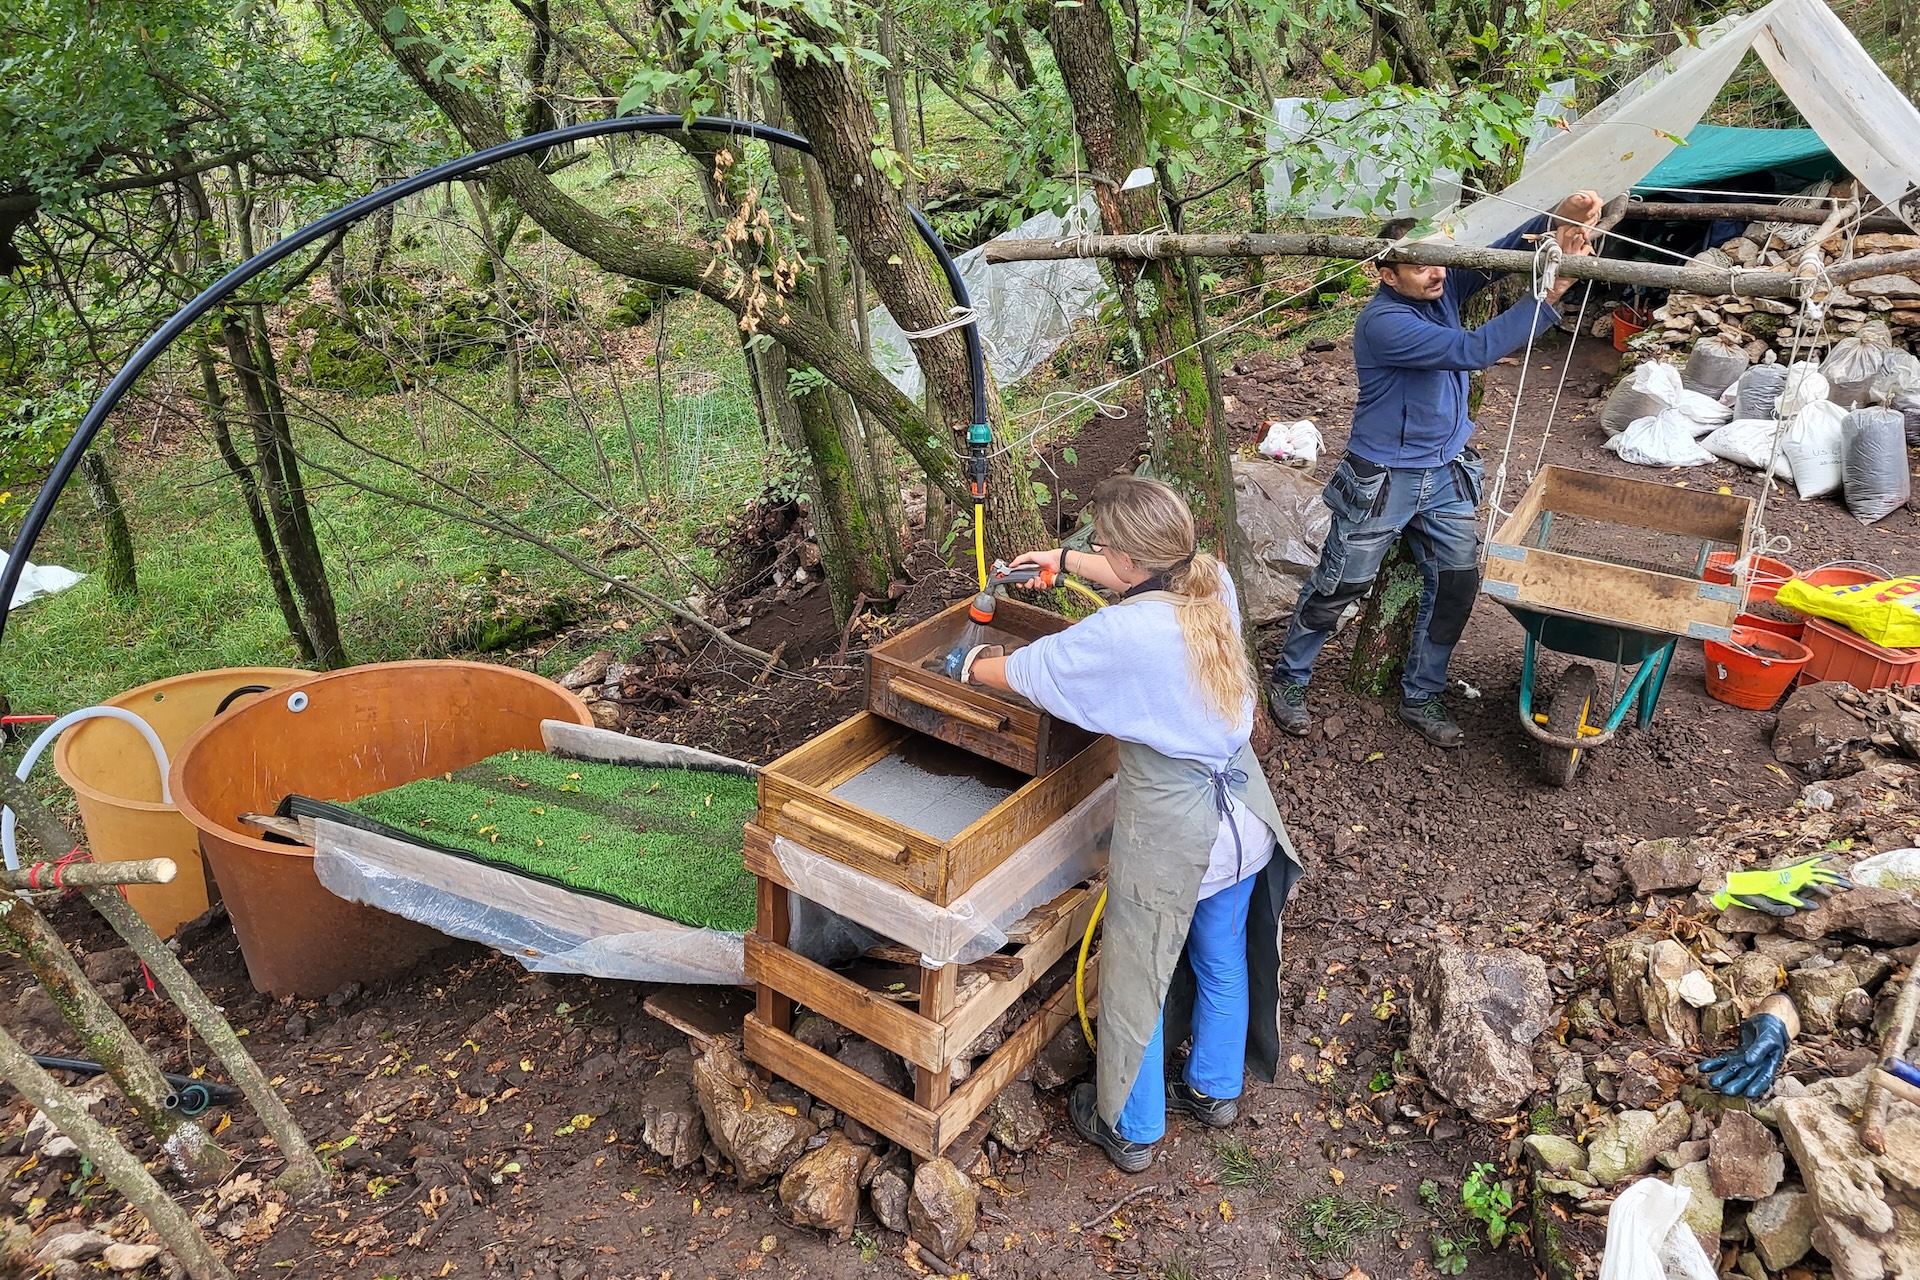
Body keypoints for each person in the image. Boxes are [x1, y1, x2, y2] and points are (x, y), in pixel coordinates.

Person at [958, 476, 1304, 1172]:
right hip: (1244, 818)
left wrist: (972, 666)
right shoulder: (1214, 583)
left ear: (1127, 559)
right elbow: (1136, 576)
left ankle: (1133, 1128)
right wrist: (1061, 561)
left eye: (1101, 546)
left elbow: (1038, 668)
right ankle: (1216, 1091)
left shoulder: (1126, 633)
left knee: (1135, 976)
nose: (1096, 553)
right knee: (1220, 953)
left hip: (1179, 837)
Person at [1267, 192, 1603, 748]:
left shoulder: (1441, 286)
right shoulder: (1384, 322)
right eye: (1420, 265)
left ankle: (1421, 693)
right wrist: (1549, 295)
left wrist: (1554, 217)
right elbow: (1475, 349)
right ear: (1386, 273)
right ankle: (1290, 680)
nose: (1437, 273)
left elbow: (1494, 251)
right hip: (1385, 478)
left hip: (1446, 472)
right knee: (1339, 584)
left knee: (1456, 584)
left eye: (1440, 259)